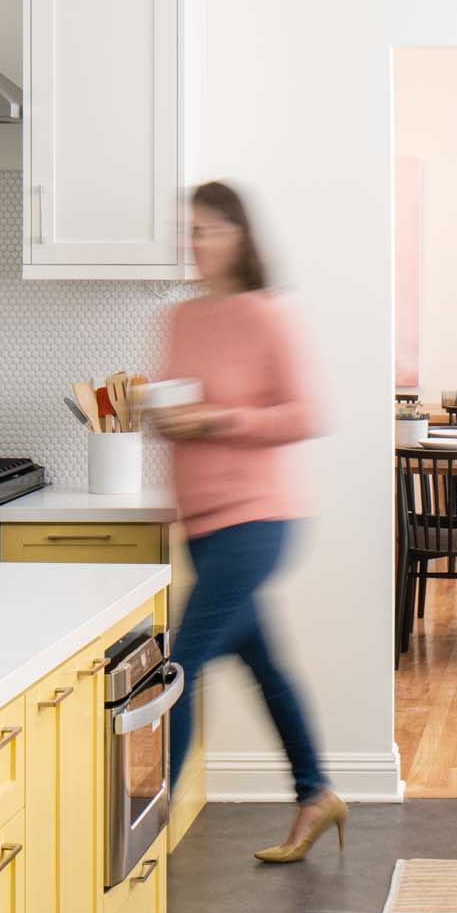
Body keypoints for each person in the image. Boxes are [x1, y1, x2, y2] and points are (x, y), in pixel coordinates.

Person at [148, 180, 339, 862]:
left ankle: (144, 844)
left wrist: (217, 419)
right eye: (188, 230)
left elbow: (308, 413)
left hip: (258, 519)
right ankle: (317, 794)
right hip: (198, 522)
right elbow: (176, 410)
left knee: (174, 669)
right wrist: (164, 419)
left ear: (239, 237)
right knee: (264, 664)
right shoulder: (178, 318)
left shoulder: (267, 314)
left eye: (206, 230)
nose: (193, 243)